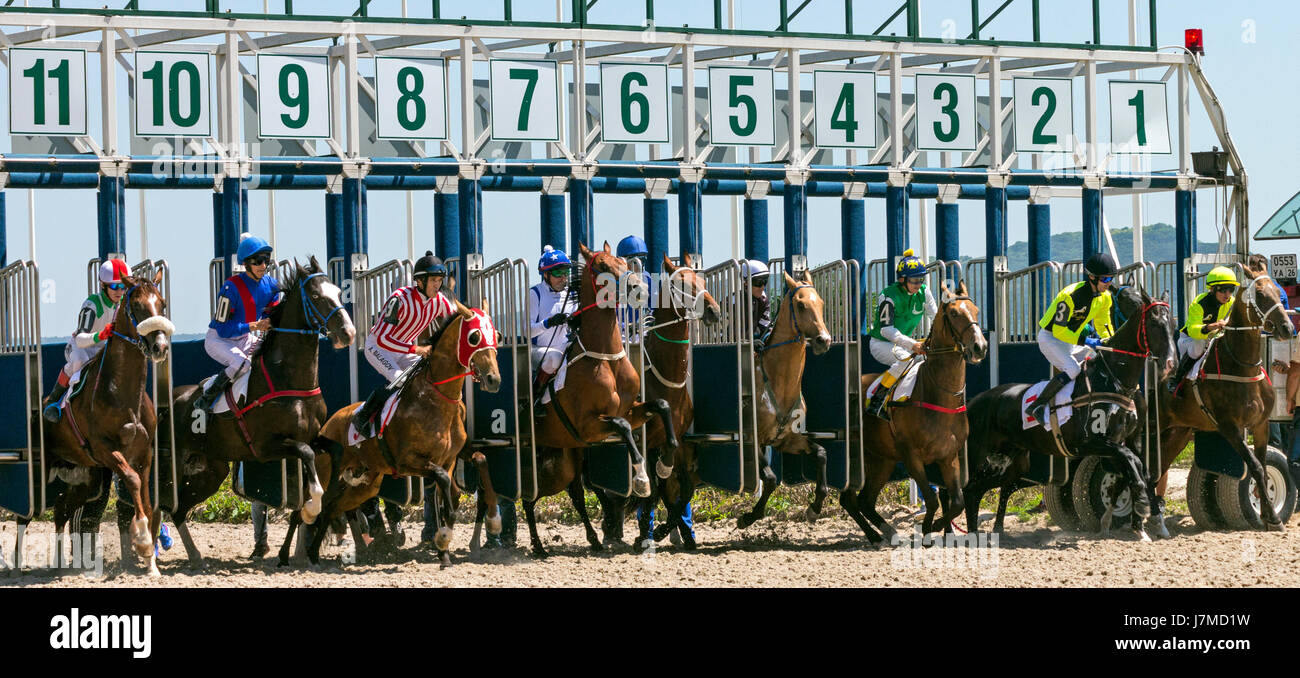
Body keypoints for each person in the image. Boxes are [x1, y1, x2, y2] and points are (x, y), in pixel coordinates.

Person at [351, 251, 455, 437]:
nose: (438, 286)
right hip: (378, 347)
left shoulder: (439, 301)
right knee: (401, 379)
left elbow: (458, 321)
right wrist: (416, 349)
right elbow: (383, 338)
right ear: (420, 282)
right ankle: (363, 415)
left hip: (404, 350)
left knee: (428, 377)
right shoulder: (399, 298)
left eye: (440, 281)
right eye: (433, 281)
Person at [1026, 252, 1119, 424]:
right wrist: (1087, 341)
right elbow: (1059, 331)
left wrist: (1109, 341)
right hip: (1051, 338)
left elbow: (1103, 323)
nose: (1109, 283)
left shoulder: (1105, 297)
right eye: (1105, 279)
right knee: (1073, 369)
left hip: (1071, 340)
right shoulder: (1069, 296)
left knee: (1098, 359)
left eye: (1111, 279)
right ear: (1092, 277)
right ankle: (1038, 405)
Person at [195, 235, 282, 413]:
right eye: (258, 261)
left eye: (266, 260)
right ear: (246, 263)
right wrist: (255, 326)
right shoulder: (230, 287)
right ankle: (208, 395)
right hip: (219, 340)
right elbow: (223, 329)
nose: (263, 266)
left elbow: (271, 315)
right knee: (242, 365)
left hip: (244, 337)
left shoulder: (272, 286)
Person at [42, 259, 132, 422]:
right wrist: (101, 335)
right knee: (79, 362)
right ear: (103, 286)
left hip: (103, 349)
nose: (119, 291)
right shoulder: (92, 304)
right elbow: (81, 339)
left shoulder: (122, 305)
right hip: (80, 348)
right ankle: (54, 402)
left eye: (122, 287)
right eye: (114, 286)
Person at [865, 249, 937, 419]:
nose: (918, 284)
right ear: (902, 279)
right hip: (881, 343)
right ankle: (876, 399)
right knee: (906, 361)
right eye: (914, 280)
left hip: (903, 343)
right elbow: (886, 330)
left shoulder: (924, 292)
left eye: (921, 279)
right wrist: (913, 345)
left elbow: (936, 316)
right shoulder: (888, 296)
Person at [1168, 266, 1238, 390]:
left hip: (1216, 337)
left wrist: (1226, 323)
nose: (1227, 294)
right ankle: (1177, 379)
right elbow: (1193, 330)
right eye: (1223, 290)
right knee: (1198, 345)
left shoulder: (1232, 302)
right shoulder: (1199, 303)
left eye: (1231, 289)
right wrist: (1211, 327)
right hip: (1191, 338)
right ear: (1212, 289)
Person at [528, 246, 577, 397]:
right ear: (546, 275)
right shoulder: (534, 293)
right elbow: (527, 331)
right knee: (554, 357)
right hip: (538, 349)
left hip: (564, 346)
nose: (563, 278)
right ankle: (537, 394)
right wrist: (548, 323)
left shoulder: (572, 293)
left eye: (566, 272)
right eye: (557, 273)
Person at [742, 259, 773, 348]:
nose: (762, 287)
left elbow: (765, 329)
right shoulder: (731, 303)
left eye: (765, 282)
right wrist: (748, 343)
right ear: (745, 283)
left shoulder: (763, 301)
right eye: (758, 283)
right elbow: (722, 338)